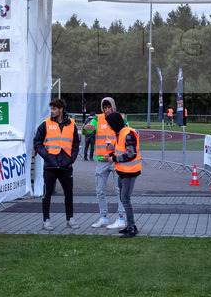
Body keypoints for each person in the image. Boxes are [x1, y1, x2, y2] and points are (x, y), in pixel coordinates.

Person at [33, 98, 80, 230]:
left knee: (68, 192)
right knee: (47, 193)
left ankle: (70, 218)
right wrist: (47, 156)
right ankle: (46, 220)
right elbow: (37, 142)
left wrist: (72, 158)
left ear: (61, 109)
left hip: (66, 165)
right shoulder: (45, 124)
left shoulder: (71, 123)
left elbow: (76, 143)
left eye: (54, 109)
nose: (52, 111)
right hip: (51, 165)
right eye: (51, 109)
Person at [85, 97, 127, 229]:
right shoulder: (98, 118)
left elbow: (126, 135)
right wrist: (86, 129)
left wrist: (113, 147)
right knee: (100, 190)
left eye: (109, 107)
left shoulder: (121, 117)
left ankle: (121, 218)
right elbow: (87, 131)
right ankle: (103, 217)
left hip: (115, 160)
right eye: (105, 107)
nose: (107, 110)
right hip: (102, 160)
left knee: (118, 190)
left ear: (113, 106)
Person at [105, 111, 141, 238]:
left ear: (114, 123)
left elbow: (131, 154)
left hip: (130, 172)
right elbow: (121, 151)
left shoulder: (127, 134)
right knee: (123, 198)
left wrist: (113, 159)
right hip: (123, 171)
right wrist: (110, 155)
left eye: (109, 124)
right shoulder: (120, 133)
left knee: (125, 199)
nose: (109, 126)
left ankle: (131, 228)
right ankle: (131, 225)